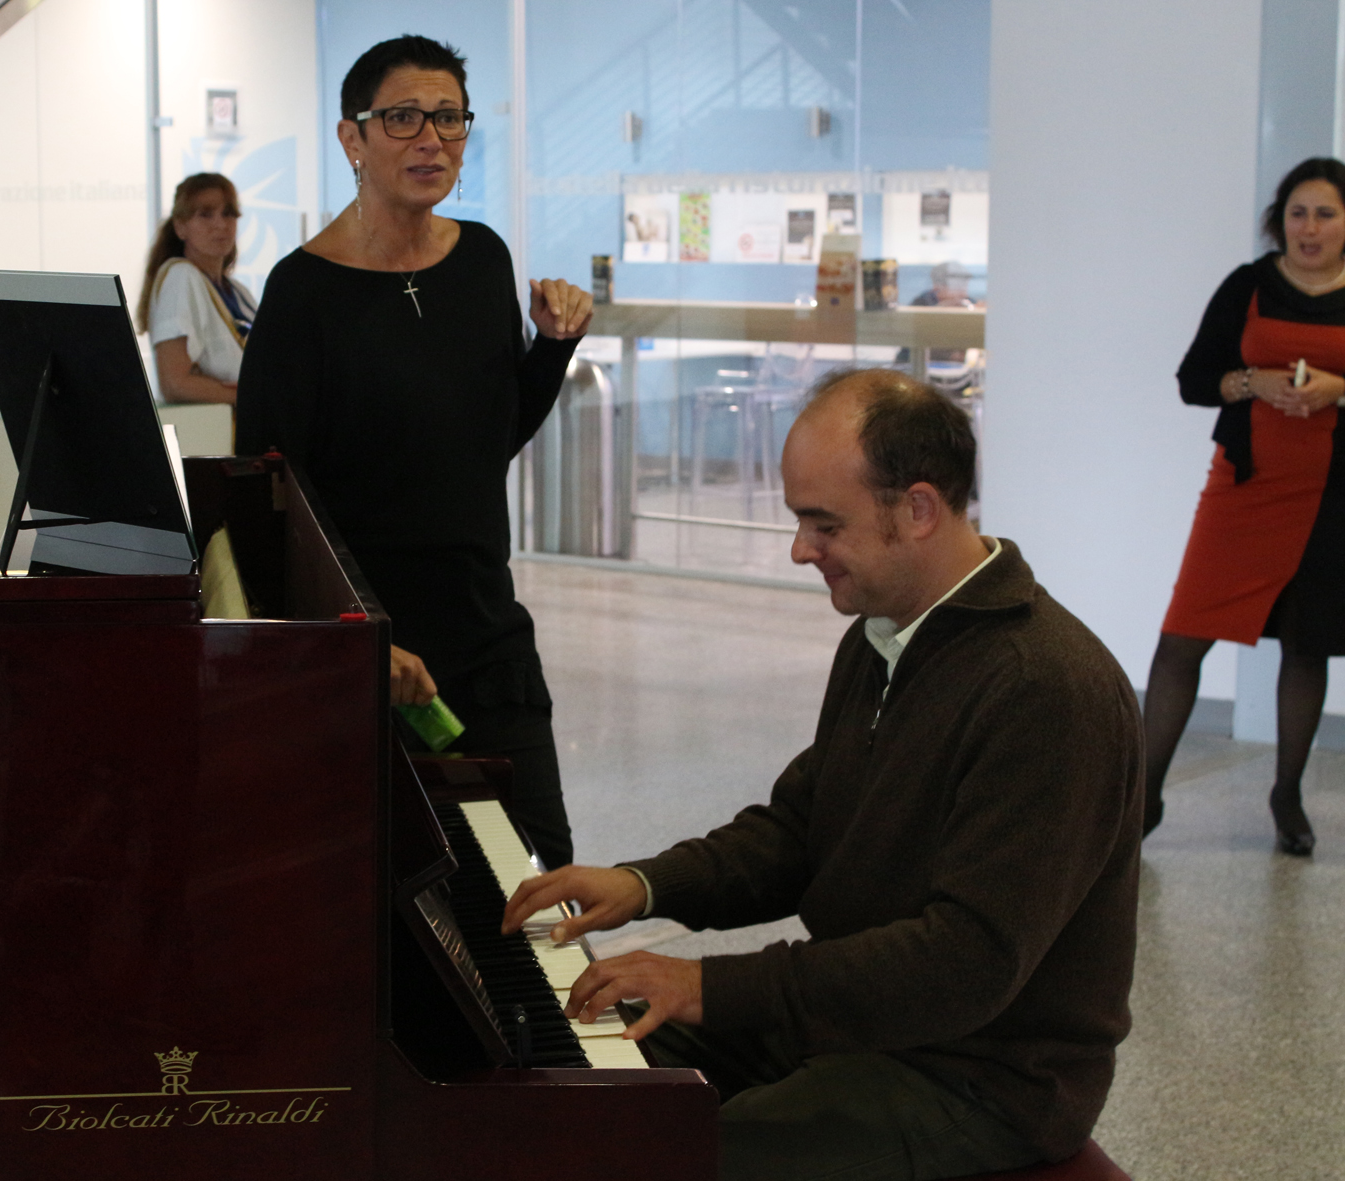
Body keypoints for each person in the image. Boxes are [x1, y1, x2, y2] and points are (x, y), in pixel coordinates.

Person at [502, 369, 1142, 1181]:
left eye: (822, 524)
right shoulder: (886, 633)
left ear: (916, 509)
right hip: (866, 1021)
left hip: (980, 1076)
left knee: (664, 1153)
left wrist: (712, 984)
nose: (801, 549)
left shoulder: (1044, 689)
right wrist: (644, 883)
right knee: (573, 1066)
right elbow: (801, 828)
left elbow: (964, 964)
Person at [235, 35, 593, 868]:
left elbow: (486, 441)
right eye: (401, 118)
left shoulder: (482, 259)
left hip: (488, 635)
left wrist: (553, 346)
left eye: (448, 118)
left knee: (545, 886)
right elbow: (269, 494)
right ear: (351, 138)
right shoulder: (302, 294)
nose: (431, 139)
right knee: (394, 918)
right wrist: (355, 633)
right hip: (374, 657)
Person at [1141, 156, 1345, 853]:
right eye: (1297, 212)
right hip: (1245, 488)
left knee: (1307, 646)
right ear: (1278, 220)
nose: (1309, 227)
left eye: (1325, 213)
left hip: (1331, 501)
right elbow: (1193, 380)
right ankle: (1141, 800)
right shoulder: (1247, 286)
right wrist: (1251, 379)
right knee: (1180, 641)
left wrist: (1336, 389)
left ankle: (1286, 795)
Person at [136, 173, 256, 405]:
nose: (221, 225)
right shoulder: (181, 277)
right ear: (181, 227)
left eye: (228, 214)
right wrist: (251, 396)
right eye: (205, 215)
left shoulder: (239, 292)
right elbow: (174, 383)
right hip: (214, 432)